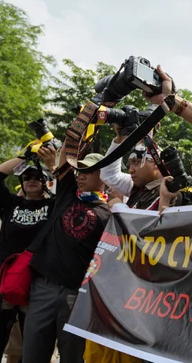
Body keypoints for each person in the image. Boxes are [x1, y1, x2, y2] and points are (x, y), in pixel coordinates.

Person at [23, 152, 111, 363]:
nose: (81, 176)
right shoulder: (67, 195)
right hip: (44, 288)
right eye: (79, 171)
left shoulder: (111, 216)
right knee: (32, 355)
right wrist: (83, 122)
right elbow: (65, 159)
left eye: (89, 171)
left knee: (73, 358)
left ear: (104, 176)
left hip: (77, 296)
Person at [0, 147, 56, 363]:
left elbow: (71, 191)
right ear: (21, 181)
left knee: (31, 348)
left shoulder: (53, 207)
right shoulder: (10, 204)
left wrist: (50, 163)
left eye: (37, 177)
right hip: (2, 282)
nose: (31, 180)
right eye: (27, 176)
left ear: (46, 182)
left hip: (35, 285)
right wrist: (25, 156)